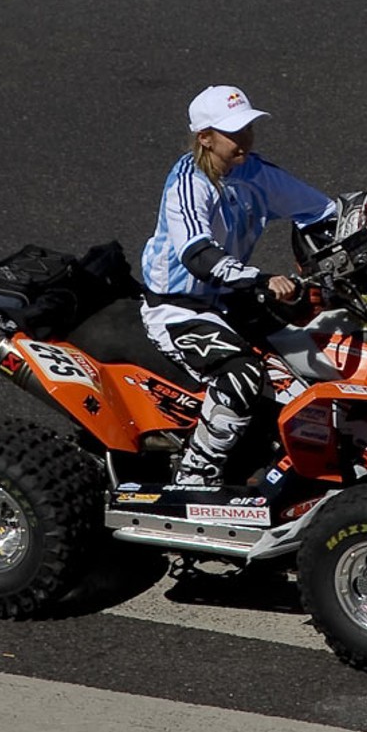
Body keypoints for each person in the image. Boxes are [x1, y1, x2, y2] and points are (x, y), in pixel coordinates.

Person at [140, 85, 336, 488]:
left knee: (311, 352)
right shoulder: (187, 184)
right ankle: (194, 477)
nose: (245, 137)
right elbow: (198, 256)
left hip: (229, 299)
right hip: (178, 309)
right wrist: (261, 280)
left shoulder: (254, 172)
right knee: (243, 372)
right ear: (205, 138)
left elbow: (322, 212)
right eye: (233, 131)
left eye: (247, 126)